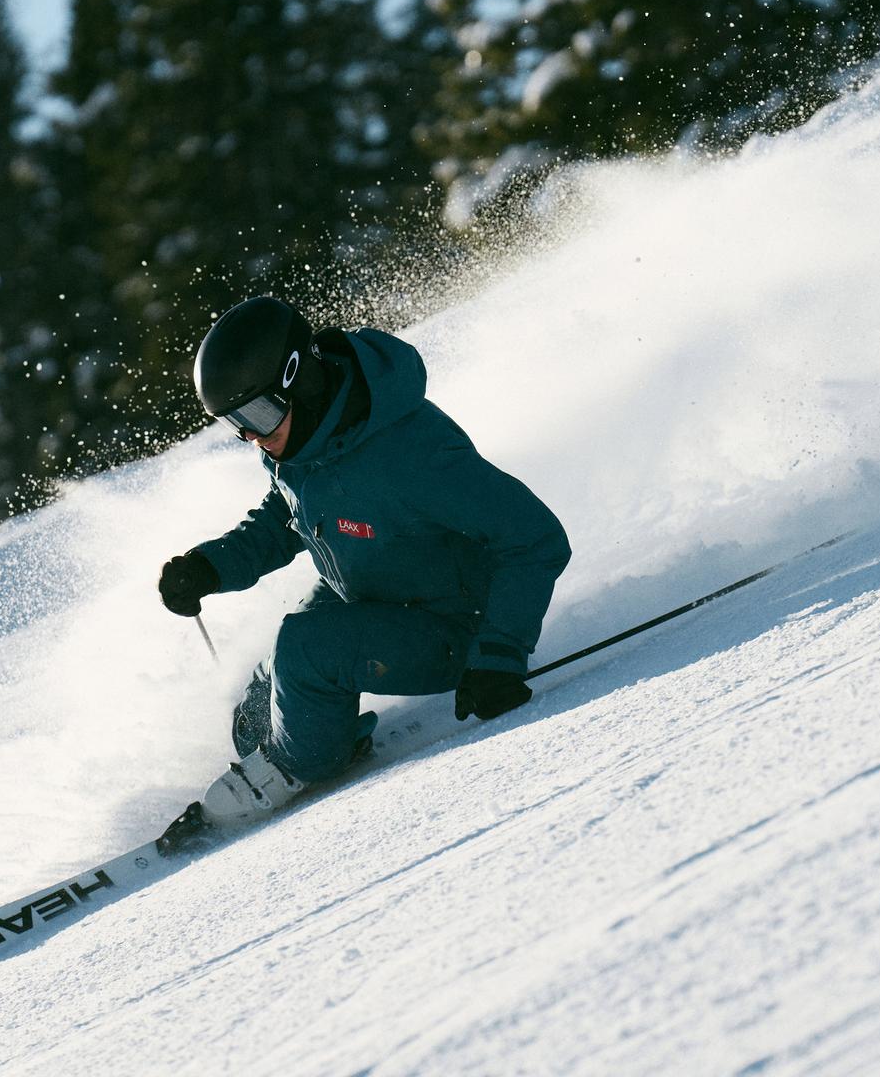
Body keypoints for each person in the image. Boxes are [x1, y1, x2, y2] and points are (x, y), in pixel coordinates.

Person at [158, 296, 571, 825]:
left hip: (455, 628)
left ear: (299, 378)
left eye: (258, 413)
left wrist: (499, 652)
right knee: (255, 719)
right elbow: (285, 517)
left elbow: (536, 537)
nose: (253, 435)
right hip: (373, 590)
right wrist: (209, 566)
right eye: (237, 424)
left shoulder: (412, 454)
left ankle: (296, 765)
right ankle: (326, 737)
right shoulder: (302, 441)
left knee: (306, 649)